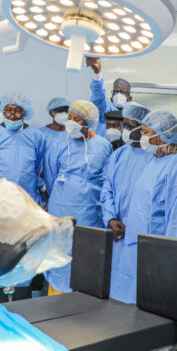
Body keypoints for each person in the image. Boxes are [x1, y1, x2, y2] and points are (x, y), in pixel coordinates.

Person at [110, 109, 177, 351]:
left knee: (162, 335)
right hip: (140, 256)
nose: (143, 138)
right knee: (139, 325)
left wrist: (166, 267)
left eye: (148, 133)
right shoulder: (155, 161)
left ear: (163, 136)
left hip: (164, 263)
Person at [44, 100, 112, 294]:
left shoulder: (103, 145)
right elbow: (50, 177)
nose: (71, 122)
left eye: (77, 119)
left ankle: (86, 299)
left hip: (91, 211)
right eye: (70, 117)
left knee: (87, 253)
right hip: (61, 209)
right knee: (60, 253)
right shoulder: (57, 144)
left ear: (88, 123)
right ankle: (57, 295)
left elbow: (106, 178)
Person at [0, 91, 46, 204]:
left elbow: (36, 167)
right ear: (3, 111)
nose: (12, 115)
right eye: (8, 110)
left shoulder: (37, 136)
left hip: (26, 196)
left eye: (18, 111)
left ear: (25, 112)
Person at [101, 102, 152, 241]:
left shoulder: (155, 157)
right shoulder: (119, 154)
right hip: (117, 228)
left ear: (143, 128)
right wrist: (110, 217)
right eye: (124, 125)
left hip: (143, 232)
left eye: (129, 126)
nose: (125, 130)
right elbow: (107, 188)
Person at [86, 56, 132, 137]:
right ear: (111, 99)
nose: (118, 94)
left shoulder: (133, 116)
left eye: (123, 91)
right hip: (104, 148)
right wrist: (97, 73)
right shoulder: (106, 111)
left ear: (130, 98)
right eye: (115, 92)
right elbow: (99, 97)